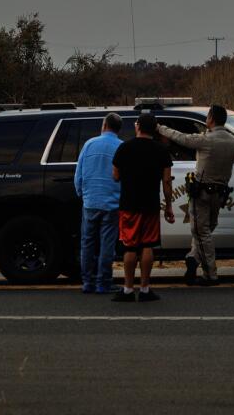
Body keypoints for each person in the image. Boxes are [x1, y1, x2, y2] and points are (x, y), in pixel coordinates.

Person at [158, 104, 234, 287]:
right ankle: (193, 258)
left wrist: (160, 128)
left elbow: (180, 138)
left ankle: (210, 273)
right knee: (208, 229)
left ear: (211, 118)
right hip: (220, 194)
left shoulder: (206, 140)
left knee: (200, 232)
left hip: (201, 192)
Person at [111, 113, 175, 302]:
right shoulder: (161, 150)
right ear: (155, 129)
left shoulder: (124, 148)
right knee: (148, 245)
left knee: (130, 247)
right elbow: (166, 182)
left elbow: (115, 176)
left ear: (138, 126)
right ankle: (145, 289)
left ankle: (128, 289)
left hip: (129, 204)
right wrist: (169, 207)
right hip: (151, 204)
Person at [74, 112, 123, 294]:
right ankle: (104, 282)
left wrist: (82, 193)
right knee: (106, 244)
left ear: (104, 125)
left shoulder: (89, 144)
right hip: (112, 202)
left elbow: (79, 173)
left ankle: (87, 282)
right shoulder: (121, 147)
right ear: (118, 129)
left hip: (90, 201)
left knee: (87, 243)